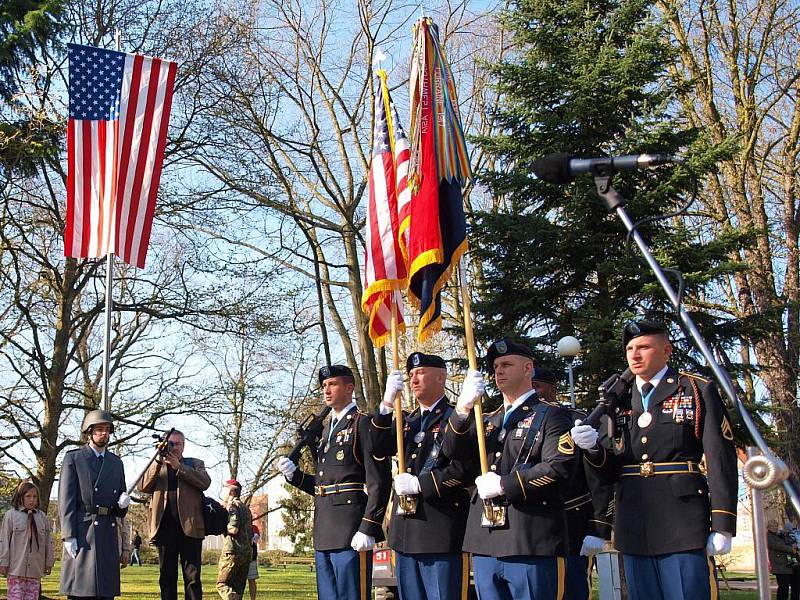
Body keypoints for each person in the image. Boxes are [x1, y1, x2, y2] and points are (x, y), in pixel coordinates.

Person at [571, 320, 738, 600]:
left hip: (682, 519)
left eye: (644, 347)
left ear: (666, 350)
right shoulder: (617, 398)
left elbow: (721, 458)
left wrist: (723, 524)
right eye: (630, 348)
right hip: (634, 519)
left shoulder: (694, 390)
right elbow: (609, 471)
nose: (635, 355)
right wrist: (593, 451)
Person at [442, 338, 577, 600]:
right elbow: (452, 452)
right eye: (495, 366)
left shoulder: (551, 415)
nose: (498, 371)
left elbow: (557, 469)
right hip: (486, 540)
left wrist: (505, 485)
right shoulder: (488, 420)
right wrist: (462, 408)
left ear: (528, 369)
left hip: (529, 539)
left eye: (506, 364)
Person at [275, 365, 391, 600]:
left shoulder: (362, 423)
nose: (327, 390)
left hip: (351, 528)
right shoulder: (327, 430)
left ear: (349, 387)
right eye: (324, 386)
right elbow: (323, 486)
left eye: (333, 384)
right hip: (324, 529)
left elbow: (379, 480)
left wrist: (369, 526)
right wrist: (295, 476)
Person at [377, 352, 474, 600]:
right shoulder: (406, 420)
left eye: (420, 373)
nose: (414, 379)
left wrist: (420, 485)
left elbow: (463, 470)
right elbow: (376, 447)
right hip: (405, 534)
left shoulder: (459, 418)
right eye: (410, 375)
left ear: (441, 377)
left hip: (439, 530)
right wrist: (386, 405)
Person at [531, 367, 614, 600]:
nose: (534, 391)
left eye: (538, 385)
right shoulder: (520, 421)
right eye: (530, 385)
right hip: (534, 524)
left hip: (572, 521)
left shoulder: (576, 420)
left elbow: (598, 477)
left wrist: (598, 527)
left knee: (572, 587)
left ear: (553, 389)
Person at [59, 409, 130, 600]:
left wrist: (122, 505)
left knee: (105, 592)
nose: (104, 433)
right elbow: (66, 500)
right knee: (81, 591)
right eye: (99, 429)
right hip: (83, 531)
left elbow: (119, 507)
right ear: (89, 431)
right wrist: (68, 535)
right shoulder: (73, 458)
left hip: (107, 530)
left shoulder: (116, 463)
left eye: (107, 429)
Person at [140, 429, 211, 600]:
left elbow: (205, 482)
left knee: (192, 579)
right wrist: (158, 460)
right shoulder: (156, 465)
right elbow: (143, 487)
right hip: (164, 529)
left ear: (184, 445)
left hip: (191, 529)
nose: (175, 447)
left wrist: (179, 467)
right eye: (171, 443)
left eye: (178, 444)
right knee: (167, 578)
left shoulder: (194, 463)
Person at [0, 481, 55, 600]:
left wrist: (49, 562)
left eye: (34, 497)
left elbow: (48, 542)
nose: (32, 500)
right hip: (16, 569)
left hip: (35, 569)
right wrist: (3, 562)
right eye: (28, 496)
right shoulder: (11, 516)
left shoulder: (42, 517)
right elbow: (4, 540)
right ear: (21, 497)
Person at [217, 479, 252, 600]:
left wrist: (219, 527)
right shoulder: (246, 508)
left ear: (231, 492)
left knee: (222, 584)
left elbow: (233, 529)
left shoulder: (232, 506)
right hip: (246, 552)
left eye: (224, 489)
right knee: (238, 588)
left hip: (232, 550)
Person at [768, 519, 798, 600]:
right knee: (783, 587)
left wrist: (793, 545)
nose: (775, 527)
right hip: (779, 566)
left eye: (776, 525)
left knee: (792, 586)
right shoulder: (769, 536)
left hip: (788, 565)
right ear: (769, 527)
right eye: (773, 526)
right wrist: (791, 549)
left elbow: (789, 542)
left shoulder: (780, 535)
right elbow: (778, 546)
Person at [247, 524, 260, 600]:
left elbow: (254, 539)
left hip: (251, 558)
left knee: (251, 580)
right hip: (239, 558)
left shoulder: (254, 528)